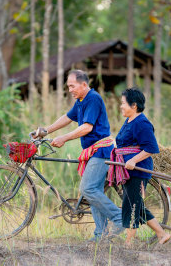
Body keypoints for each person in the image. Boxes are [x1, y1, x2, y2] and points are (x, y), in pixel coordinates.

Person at [32, 69, 123, 241]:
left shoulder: (93, 99)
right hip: (92, 152)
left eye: (73, 86)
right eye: (68, 87)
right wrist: (45, 130)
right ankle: (100, 235)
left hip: (101, 151)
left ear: (84, 84)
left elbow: (87, 127)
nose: (70, 90)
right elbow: (67, 118)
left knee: (88, 189)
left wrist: (64, 138)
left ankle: (119, 218)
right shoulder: (81, 101)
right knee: (93, 191)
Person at [108, 87, 171, 246]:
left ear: (134, 105)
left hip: (138, 170)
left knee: (132, 206)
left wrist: (134, 160)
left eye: (123, 103)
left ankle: (129, 243)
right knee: (135, 204)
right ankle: (161, 234)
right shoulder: (129, 121)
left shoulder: (142, 123)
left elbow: (151, 147)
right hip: (127, 170)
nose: (121, 106)